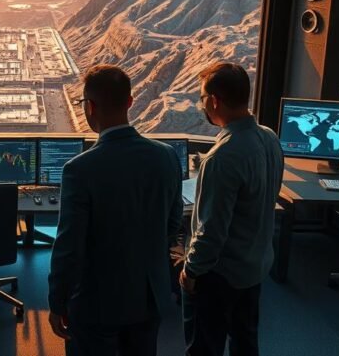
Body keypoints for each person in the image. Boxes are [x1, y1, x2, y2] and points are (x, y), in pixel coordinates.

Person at [49, 64, 183, 356]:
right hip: (149, 296)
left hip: (97, 303)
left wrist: (57, 302)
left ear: (90, 107)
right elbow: (173, 224)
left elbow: (69, 247)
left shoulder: (79, 169)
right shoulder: (167, 156)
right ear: (130, 102)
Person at [180, 63, 284, 356]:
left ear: (214, 101)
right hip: (254, 267)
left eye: (202, 99)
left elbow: (211, 232)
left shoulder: (222, 157)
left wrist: (191, 271)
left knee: (204, 347)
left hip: (221, 275)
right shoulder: (269, 137)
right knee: (245, 342)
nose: (202, 105)